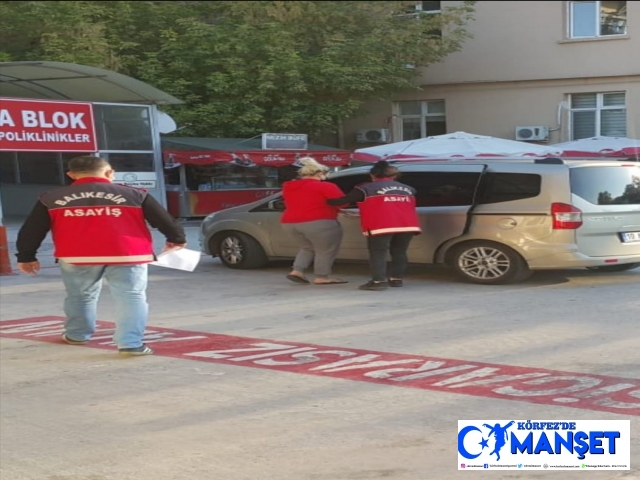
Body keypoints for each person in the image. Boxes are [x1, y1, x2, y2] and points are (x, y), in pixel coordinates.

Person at [15, 156, 187, 356]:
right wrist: (176, 238)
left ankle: (77, 335)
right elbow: (164, 219)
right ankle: (131, 344)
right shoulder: (135, 194)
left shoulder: (51, 197)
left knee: (80, 296)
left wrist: (26, 256)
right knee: (131, 296)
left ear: (71, 175)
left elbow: (32, 229)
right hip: (127, 254)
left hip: (77, 256)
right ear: (109, 172)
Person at [327, 160, 421, 291]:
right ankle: (396, 280)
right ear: (394, 176)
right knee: (399, 252)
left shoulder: (365, 188)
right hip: (407, 225)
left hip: (381, 225)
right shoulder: (409, 189)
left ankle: (378, 282)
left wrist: (324, 200)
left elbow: (343, 200)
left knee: (378, 253)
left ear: (373, 175)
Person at [280, 157, 348, 285]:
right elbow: (342, 203)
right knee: (325, 250)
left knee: (306, 248)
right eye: (325, 173)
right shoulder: (326, 186)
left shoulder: (288, 186)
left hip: (289, 222)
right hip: (319, 221)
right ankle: (322, 276)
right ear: (319, 173)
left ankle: (297, 271)